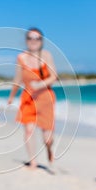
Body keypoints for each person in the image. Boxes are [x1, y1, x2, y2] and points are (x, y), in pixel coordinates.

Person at [8, 28, 57, 169]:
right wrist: (11, 97)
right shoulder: (21, 58)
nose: (33, 41)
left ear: (41, 41)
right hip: (28, 99)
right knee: (29, 130)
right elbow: (17, 79)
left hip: (46, 99)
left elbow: (54, 76)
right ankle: (33, 161)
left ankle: (49, 149)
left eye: (37, 38)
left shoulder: (46, 55)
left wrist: (40, 84)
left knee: (47, 138)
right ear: (26, 40)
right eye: (30, 38)